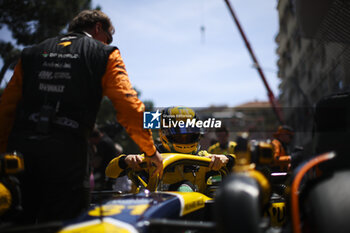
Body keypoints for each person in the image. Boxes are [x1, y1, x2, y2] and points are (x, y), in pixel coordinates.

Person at [0, 10, 162, 223]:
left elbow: (5, 109)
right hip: (68, 155)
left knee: (22, 223)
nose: (108, 42)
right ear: (97, 28)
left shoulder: (30, 53)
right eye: (108, 37)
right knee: (68, 226)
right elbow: (129, 106)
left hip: (20, 154)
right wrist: (150, 151)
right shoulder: (105, 53)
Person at [106, 106, 235, 193]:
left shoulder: (204, 157)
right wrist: (125, 160)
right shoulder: (150, 158)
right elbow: (110, 172)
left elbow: (241, 165)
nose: (184, 139)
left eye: (189, 135)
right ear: (164, 133)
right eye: (179, 135)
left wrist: (227, 159)